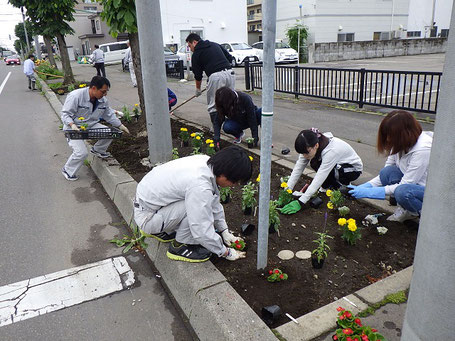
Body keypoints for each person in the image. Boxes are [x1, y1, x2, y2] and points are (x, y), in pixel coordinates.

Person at [134, 146, 251, 263]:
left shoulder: (206, 162)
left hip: (150, 207)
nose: (233, 185)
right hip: (148, 218)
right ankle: (179, 246)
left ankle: (162, 230)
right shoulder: (200, 185)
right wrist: (225, 252)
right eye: (234, 181)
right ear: (224, 174)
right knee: (197, 209)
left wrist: (224, 230)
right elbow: (200, 227)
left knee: (201, 203)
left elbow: (214, 201)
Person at [348, 110, 433, 223]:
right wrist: (367, 186)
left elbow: (406, 184)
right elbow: (386, 172)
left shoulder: (423, 149)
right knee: (387, 172)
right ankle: (405, 207)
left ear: (404, 133)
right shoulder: (400, 142)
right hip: (410, 184)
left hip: (428, 191)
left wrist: (371, 192)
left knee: (402, 192)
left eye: (390, 135)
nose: (387, 139)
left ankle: (421, 214)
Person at [61, 76, 130, 181]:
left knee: (109, 132)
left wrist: (120, 125)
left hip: (90, 124)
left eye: (106, 91)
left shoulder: (102, 100)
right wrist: (72, 125)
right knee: (81, 153)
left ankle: (98, 150)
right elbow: (65, 114)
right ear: (93, 88)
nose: (105, 94)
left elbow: (108, 114)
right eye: (103, 91)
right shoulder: (76, 96)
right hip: (73, 127)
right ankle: (67, 170)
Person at [281, 128, 363, 214]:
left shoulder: (331, 151)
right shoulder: (309, 146)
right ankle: (326, 187)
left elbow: (320, 175)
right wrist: (286, 190)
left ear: (316, 145)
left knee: (327, 169)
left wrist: (301, 201)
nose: (304, 156)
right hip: (335, 165)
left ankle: (343, 186)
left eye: (306, 153)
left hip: (351, 169)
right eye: (302, 153)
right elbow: (298, 168)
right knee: (315, 163)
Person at [186, 33, 235, 149]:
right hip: (230, 73)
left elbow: (198, 75)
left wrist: (198, 89)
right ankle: (235, 130)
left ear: (194, 42)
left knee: (213, 105)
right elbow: (229, 57)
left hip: (216, 77)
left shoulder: (197, 54)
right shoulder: (214, 44)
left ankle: (216, 136)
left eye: (189, 46)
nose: (190, 49)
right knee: (230, 102)